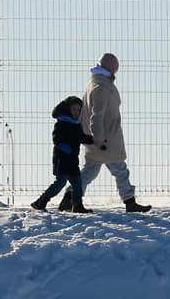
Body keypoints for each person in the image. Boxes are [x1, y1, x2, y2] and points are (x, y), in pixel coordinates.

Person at [59, 53, 152, 213]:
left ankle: (69, 198)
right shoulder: (102, 88)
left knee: (90, 171)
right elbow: (97, 115)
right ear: (112, 70)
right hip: (106, 139)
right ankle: (130, 202)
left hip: (98, 138)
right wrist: (99, 138)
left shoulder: (94, 84)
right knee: (120, 170)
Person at [31, 96, 95, 213]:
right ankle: (40, 202)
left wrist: (92, 140)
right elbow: (56, 138)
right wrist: (63, 146)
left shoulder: (76, 124)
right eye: (74, 109)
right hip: (62, 159)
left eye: (78, 110)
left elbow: (80, 137)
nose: (76, 112)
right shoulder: (61, 123)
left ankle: (77, 206)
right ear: (67, 109)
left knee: (77, 183)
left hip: (73, 160)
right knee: (60, 183)